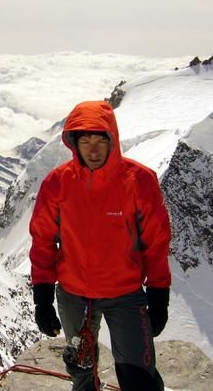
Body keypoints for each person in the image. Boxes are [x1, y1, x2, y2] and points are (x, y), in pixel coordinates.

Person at [29, 100, 171, 391]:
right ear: (74, 144)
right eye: (85, 141)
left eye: (99, 141)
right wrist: (42, 298)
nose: (92, 150)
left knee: (138, 374)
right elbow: (43, 240)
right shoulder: (57, 183)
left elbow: (155, 243)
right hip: (73, 293)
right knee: (80, 368)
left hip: (125, 292)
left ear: (112, 141)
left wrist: (159, 297)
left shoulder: (139, 181)